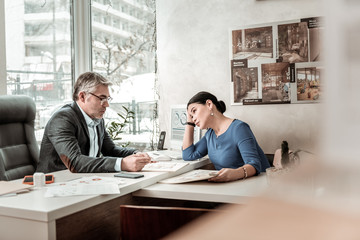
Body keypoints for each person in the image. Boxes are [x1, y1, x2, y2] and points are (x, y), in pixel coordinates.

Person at [37, 72, 151, 173]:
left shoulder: (96, 118)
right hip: (56, 184)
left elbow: (110, 150)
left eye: (107, 99)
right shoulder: (62, 119)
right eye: (101, 98)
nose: (106, 104)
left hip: (84, 181)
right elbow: (75, 162)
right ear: (82, 96)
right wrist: (123, 164)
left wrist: (136, 154)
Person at [182, 91, 270, 182]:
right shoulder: (210, 134)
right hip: (228, 187)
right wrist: (189, 123)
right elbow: (188, 155)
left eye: (194, 111)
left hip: (254, 187)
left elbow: (255, 164)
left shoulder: (239, 128)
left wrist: (235, 173)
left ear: (209, 104)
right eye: (191, 116)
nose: (193, 119)